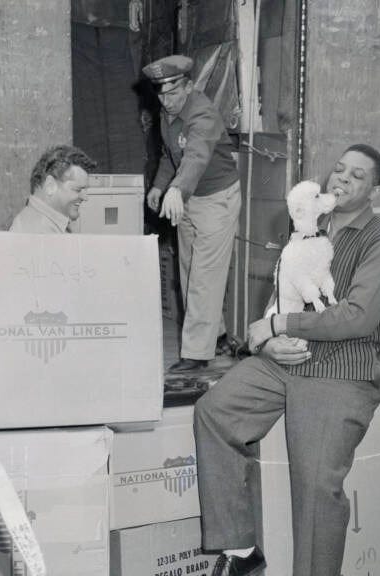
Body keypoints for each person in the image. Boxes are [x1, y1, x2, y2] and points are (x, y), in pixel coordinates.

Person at [193, 145, 380, 576]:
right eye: (338, 170)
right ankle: (240, 548)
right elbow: (282, 297)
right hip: (288, 360)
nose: (342, 179)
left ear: (374, 189)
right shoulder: (307, 230)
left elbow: (358, 317)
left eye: (358, 175)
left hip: (343, 370)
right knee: (215, 410)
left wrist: (280, 325)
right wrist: (270, 338)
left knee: (313, 490)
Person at [143, 55, 241, 372]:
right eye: (160, 94)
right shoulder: (166, 112)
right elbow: (171, 154)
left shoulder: (203, 115)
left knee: (204, 277)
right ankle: (219, 336)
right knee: (189, 273)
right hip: (186, 198)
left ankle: (198, 354)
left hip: (216, 199)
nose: (166, 101)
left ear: (187, 86)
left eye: (172, 93)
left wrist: (177, 189)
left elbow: (196, 155)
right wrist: (161, 185)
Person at [9, 144, 96, 233]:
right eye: (78, 190)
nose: (85, 197)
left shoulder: (41, 223)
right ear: (50, 186)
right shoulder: (39, 231)